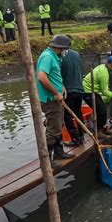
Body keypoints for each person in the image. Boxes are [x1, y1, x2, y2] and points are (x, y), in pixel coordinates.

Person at [36, 34, 75, 167]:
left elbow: (54, 75)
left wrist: (61, 86)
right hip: (50, 100)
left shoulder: (55, 57)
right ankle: (46, 160)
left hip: (56, 98)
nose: (66, 51)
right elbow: (41, 77)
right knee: (53, 129)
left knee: (59, 125)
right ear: (61, 48)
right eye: (66, 49)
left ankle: (58, 152)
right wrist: (55, 93)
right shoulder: (47, 57)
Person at [82, 56, 112, 138]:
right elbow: (104, 92)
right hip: (87, 91)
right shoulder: (104, 73)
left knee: (103, 109)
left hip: (93, 90)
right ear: (111, 65)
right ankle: (98, 132)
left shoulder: (104, 67)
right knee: (101, 110)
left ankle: (104, 129)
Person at [61, 43, 84, 146]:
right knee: (78, 113)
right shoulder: (76, 54)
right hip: (79, 88)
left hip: (68, 90)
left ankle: (75, 139)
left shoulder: (60, 57)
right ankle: (82, 135)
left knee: (67, 116)